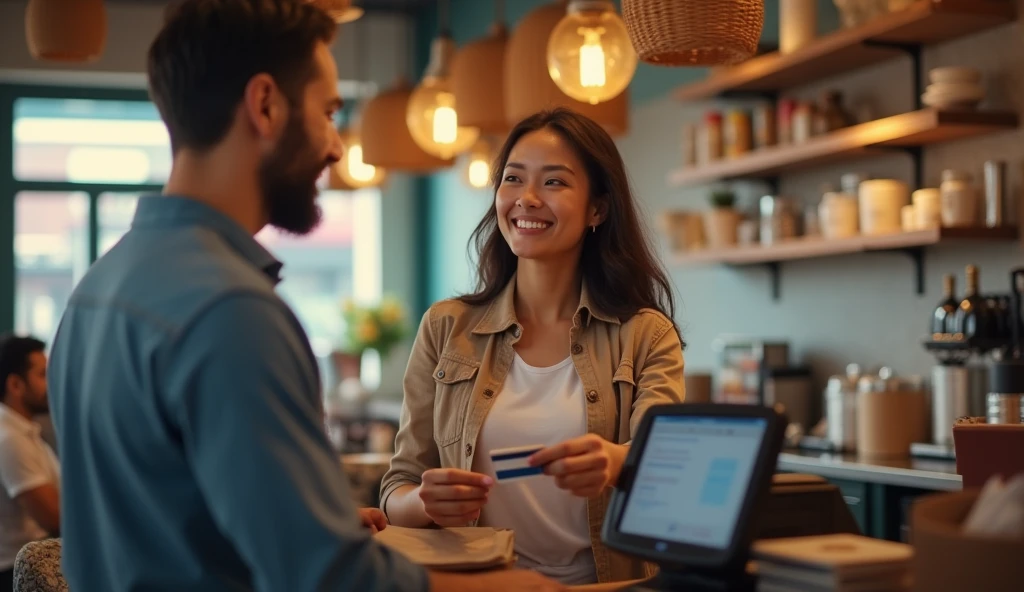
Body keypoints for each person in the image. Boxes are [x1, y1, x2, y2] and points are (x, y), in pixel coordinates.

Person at [47, 1, 562, 591]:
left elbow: (164, 520)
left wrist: (318, 523)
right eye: (327, 113)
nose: (336, 148)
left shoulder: (98, 288)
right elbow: (328, 581)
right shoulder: (230, 312)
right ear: (265, 105)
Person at [381, 108, 687, 585]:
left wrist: (614, 463)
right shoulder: (445, 327)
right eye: (512, 178)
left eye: (554, 183)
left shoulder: (646, 335)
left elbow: (667, 471)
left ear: (598, 209)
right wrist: (422, 501)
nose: (526, 199)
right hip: (480, 585)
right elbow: (398, 488)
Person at [0, 335, 59, 592]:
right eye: (42, 375)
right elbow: (53, 518)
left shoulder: (24, 432)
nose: (51, 383)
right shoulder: (9, 439)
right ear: (15, 384)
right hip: (15, 572)